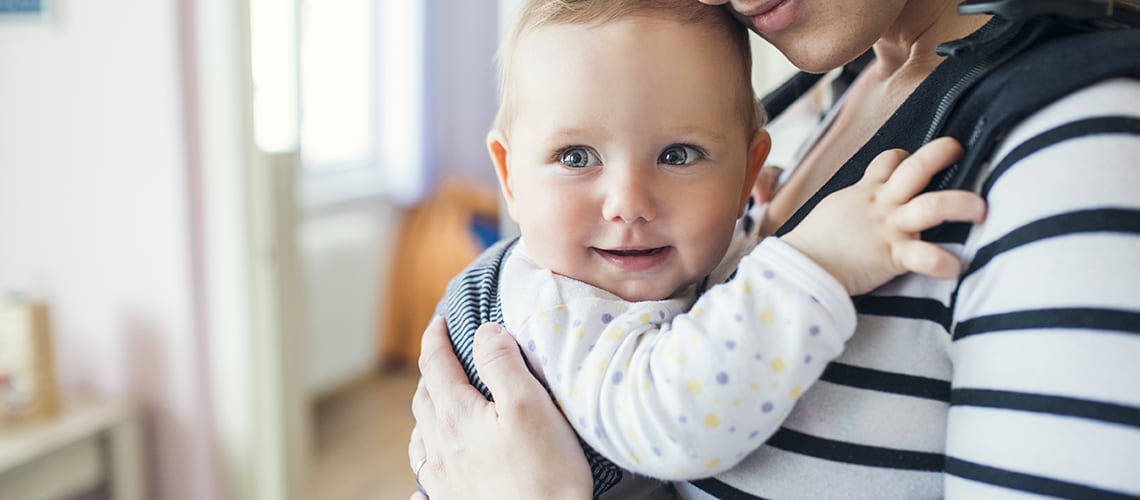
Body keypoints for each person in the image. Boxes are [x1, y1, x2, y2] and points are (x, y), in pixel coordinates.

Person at [411, 0, 1140, 498]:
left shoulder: (1075, 146)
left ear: (744, 161)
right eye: (576, 157)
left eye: (680, 154)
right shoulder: (831, 97)